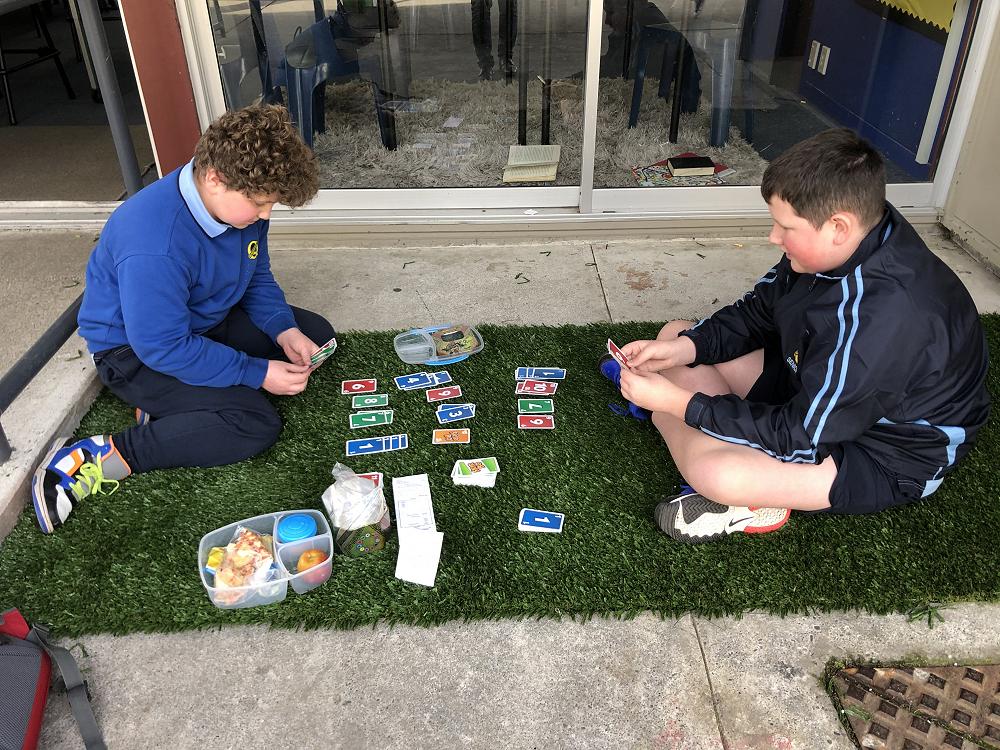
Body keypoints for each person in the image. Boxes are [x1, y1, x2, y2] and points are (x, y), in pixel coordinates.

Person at [600, 128, 990, 543]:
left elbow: (802, 436)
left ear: (838, 227)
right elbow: (758, 312)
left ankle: (745, 491)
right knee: (677, 336)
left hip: (883, 450)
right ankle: (694, 428)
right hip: (817, 385)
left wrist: (675, 404)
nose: (773, 237)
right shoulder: (850, 237)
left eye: (785, 227)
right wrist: (683, 349)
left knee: (715, 472)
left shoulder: (881, 319)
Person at [32, 104, 335, 534]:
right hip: (135, 354)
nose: (266, 215)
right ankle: (98, 456)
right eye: (259, 204)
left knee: (315, 335)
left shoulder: (238, 200)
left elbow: (256, 275)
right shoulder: (154, 242)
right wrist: (256, 372)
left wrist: (283, 328)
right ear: (214, 178)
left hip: (203, 324)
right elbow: (163, 346)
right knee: (254, 423)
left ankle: (176, 407)